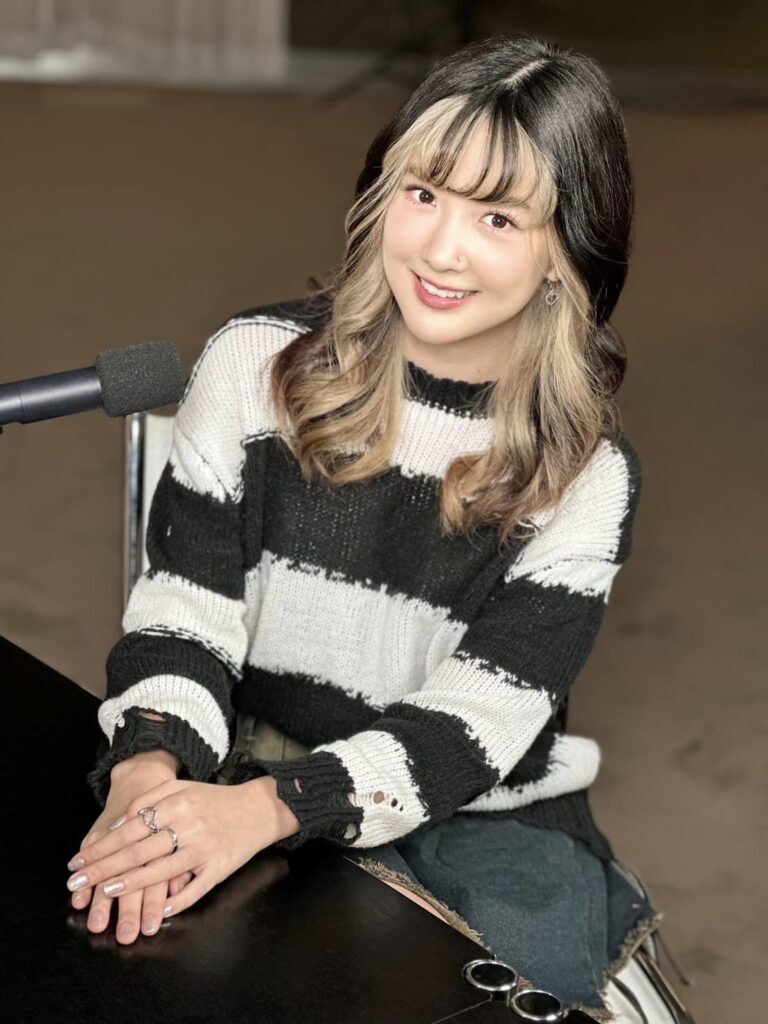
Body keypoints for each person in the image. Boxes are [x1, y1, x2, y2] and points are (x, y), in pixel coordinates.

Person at [67, 33, 666, 1020]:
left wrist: (272, 811)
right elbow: (184, 613)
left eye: (497, 216)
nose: (439, 248)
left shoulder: (588, 476)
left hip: (472, 807)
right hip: (248, 750)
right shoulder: (251, 364)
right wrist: (146, 767)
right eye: (422, 193)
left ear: (567, 254)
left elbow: (470, 729)